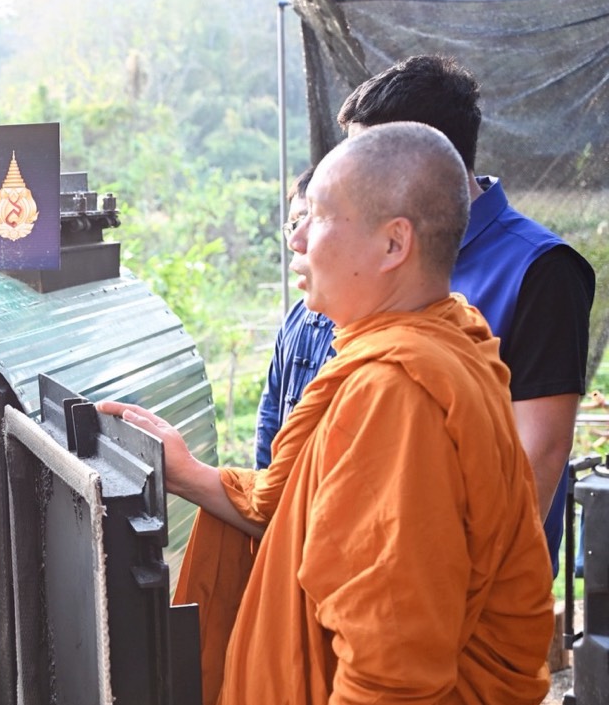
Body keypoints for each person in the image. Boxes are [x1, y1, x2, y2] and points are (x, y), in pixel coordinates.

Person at [103, 122, 553, 705]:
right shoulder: (438, 341)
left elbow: (392, 656)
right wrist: (192, 475)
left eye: (316, 217)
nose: (297, 239)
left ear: (393, 243)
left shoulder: (398, 395)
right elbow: (306, 512)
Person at [254, 55, 595, 573]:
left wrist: (478, 585)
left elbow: (539, 454)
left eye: (367, 157)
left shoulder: (539, 269)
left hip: (459, 580)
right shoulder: (358, 257)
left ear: (422, 156)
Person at [253, 165, 325, 469]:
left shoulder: (369, 327)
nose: (297, 239)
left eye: (312, 220)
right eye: (293, 224)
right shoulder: (296, 317)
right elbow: (270, 412)